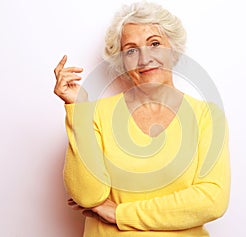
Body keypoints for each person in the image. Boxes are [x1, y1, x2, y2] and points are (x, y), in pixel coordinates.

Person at [53, 1, 230, 236]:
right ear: (122, 60)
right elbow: (88, 195)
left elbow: (212, 200)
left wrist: (119, 214)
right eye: (131, 50)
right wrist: (78, 109)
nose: (144, 58)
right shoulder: (95, 113)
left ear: (173, 49)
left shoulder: (207, 115)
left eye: (154, 44)